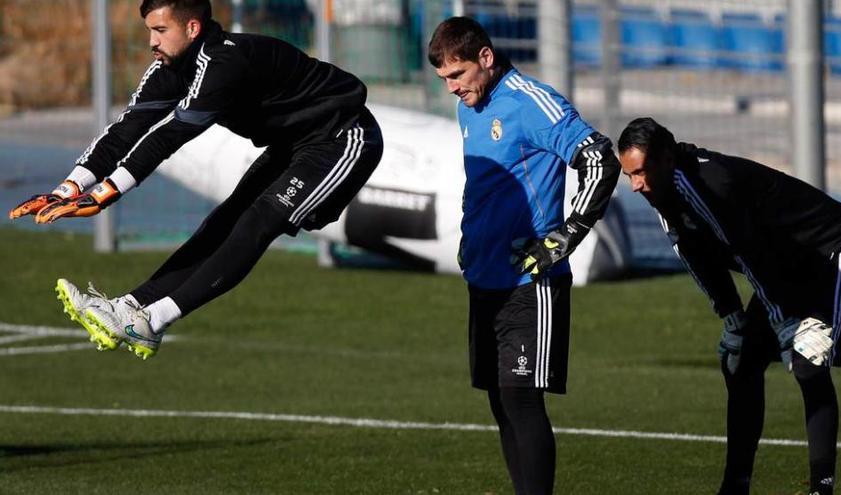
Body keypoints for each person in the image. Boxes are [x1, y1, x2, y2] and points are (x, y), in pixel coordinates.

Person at [8, 0, 383, 360]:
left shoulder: (224, 62)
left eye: (160, 29)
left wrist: (106, 192)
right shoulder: (170, 66)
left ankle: (150, 322)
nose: (151, 40)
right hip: (292, 144)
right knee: (224, 220)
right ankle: (128, 307)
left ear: (192, 27)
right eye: (149, 30)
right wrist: (68, 187)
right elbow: (128, 128)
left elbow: (170, 135)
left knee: (256, 223)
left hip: (342, 137)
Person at [617, 117, 841, 495]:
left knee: (807, 362)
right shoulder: (662, 190)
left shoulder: (710, 184)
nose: (635, 185)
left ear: (667, 159)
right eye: (629, 175)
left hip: (833, 250)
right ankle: (735, 486)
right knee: (741, 364)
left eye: (641, 172)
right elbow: (695, 256)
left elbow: (747, 251)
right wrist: (732, 317)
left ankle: (822, 487)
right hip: (785, 263)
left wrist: (785, 323)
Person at [428, 17, 620, 494]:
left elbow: (599, 157)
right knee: (499, 402)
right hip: (484, 277)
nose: (452, 88)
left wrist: (568, 233)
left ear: (486, 59)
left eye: (457, 75)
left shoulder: (532, 102)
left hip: (531, 282)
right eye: (444, 80)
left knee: (521, 401)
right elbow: (488, 184)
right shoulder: (470, 105)